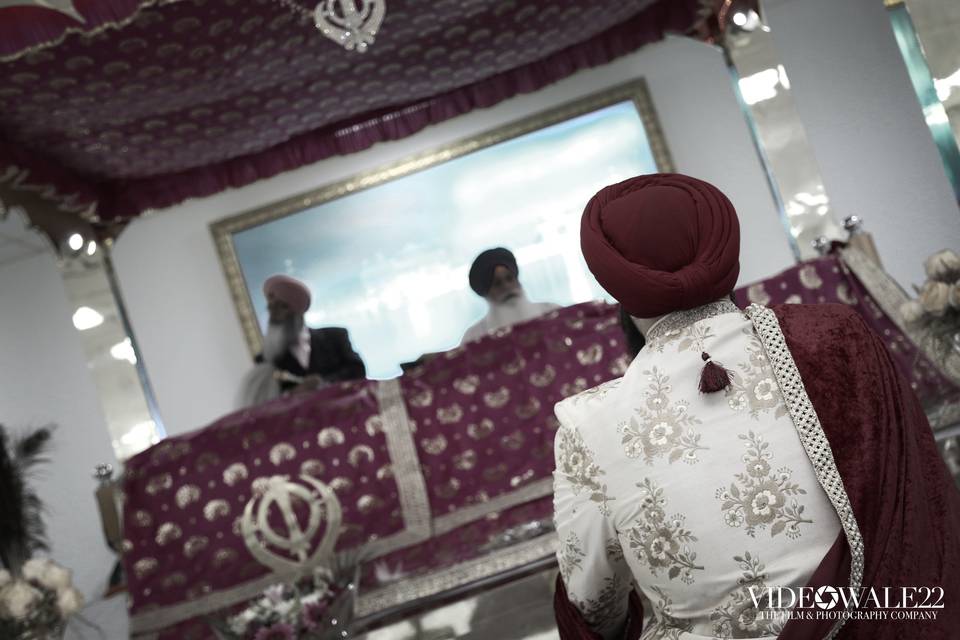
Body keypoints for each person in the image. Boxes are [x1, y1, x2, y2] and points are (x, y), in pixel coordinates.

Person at [552, 173, 960, 639]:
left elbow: (593, 606)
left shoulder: (588, 425)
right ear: (725, 250)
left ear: (614, 283)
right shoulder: (835, 339)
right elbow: (924, 514)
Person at [236, 275, 365, 408]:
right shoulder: (265, 360)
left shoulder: (335, 336)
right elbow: (263, 404)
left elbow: (357, 370)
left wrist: (323, 383)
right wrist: (291, 394)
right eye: (271, 308)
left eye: (281, 307)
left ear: (296, 311)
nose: (274, 316)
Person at [461, 247, 560, 345]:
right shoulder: (474, 337)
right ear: (486, 293)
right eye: (497, 283)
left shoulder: (552, 311)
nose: (506, 286)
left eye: (509, 278)